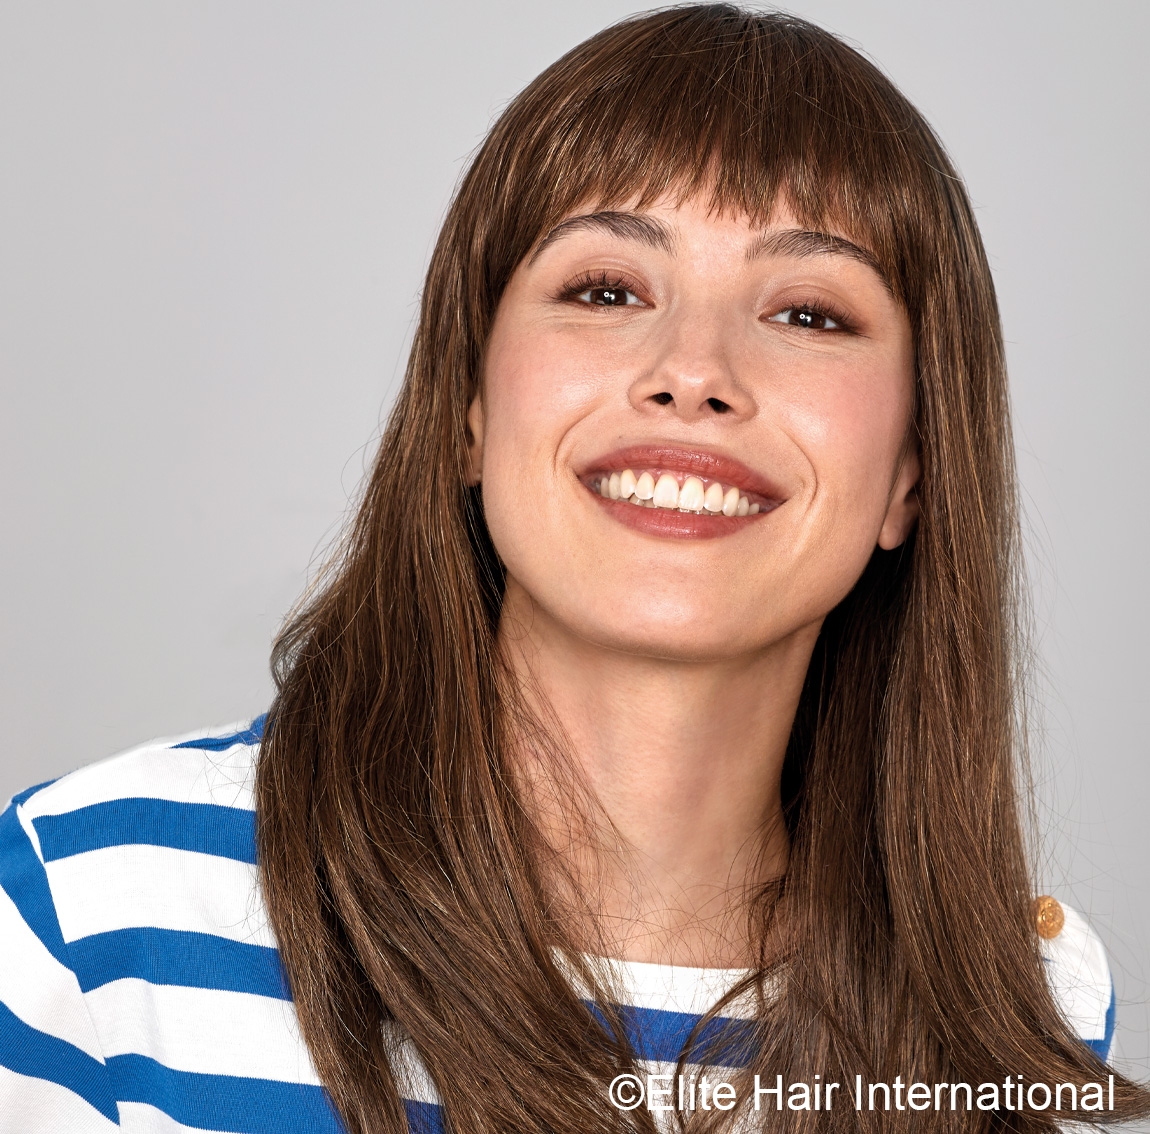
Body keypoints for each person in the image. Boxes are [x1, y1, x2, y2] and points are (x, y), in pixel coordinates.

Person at [1, 6, 1145, 1132]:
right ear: (466, 407)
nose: (693, 371)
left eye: (806, 311)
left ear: (911, 470)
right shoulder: (91, 909)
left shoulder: (1026, 1014)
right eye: (605, 291)